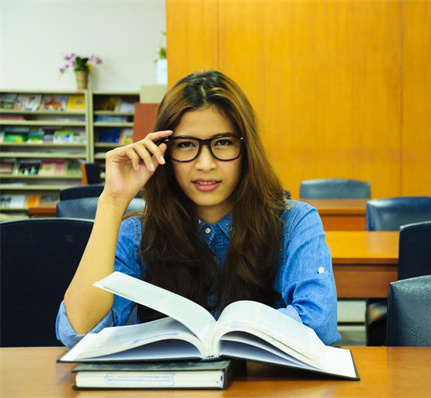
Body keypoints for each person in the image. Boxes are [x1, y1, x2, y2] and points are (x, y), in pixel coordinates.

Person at [56, 70, 340, 347]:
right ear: (164, 150)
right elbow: (79, 332)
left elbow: (319, 324)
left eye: (223, 143)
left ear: (247, 150)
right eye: (186, 145)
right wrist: (112, 200)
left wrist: (222, 336)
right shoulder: (139, 234)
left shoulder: (293, 222)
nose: (205, 164)